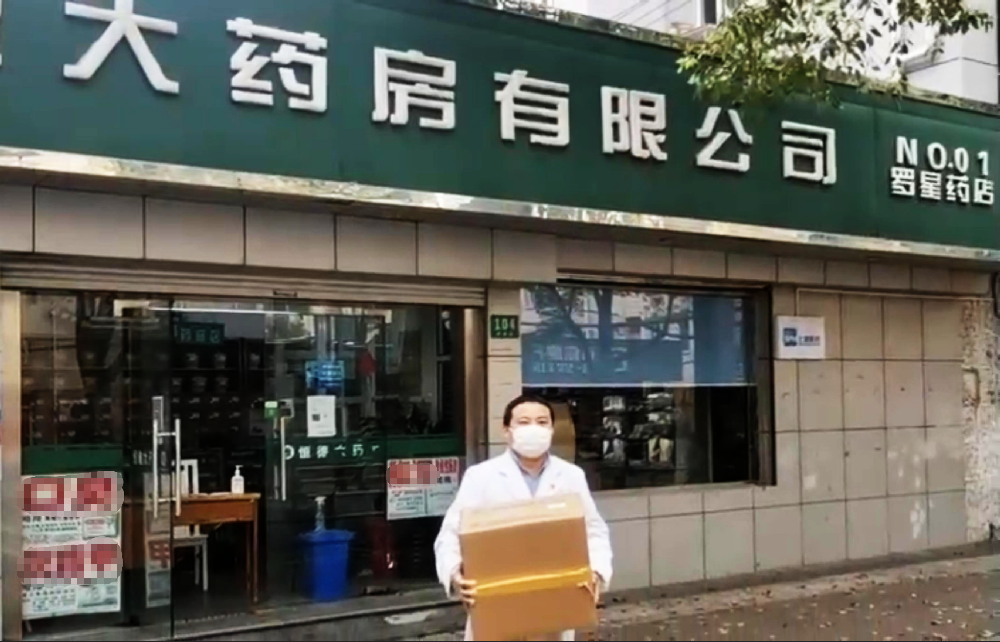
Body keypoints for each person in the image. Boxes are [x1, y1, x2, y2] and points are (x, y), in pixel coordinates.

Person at [434, 395, 613, 641]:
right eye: (524, 422)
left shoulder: (571, 475)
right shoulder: (481, 477)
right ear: (506, 431)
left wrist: (596, 571)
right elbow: (450, 534)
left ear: (551, 430)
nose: (533, 429)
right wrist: (455, 574)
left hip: (555, 607)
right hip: (496, 610)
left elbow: (594, 531)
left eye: (542, 422)